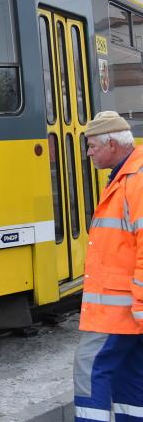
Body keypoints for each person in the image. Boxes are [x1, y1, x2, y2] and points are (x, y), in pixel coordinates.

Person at [74, 111, 143, 421]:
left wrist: (140, 308)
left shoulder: (135, 181)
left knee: (90, 368)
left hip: (120, 309)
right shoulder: (126, 177)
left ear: (112, 144)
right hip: (126, 306)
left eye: (92, 146)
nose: (88, 153)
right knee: (129, 375)